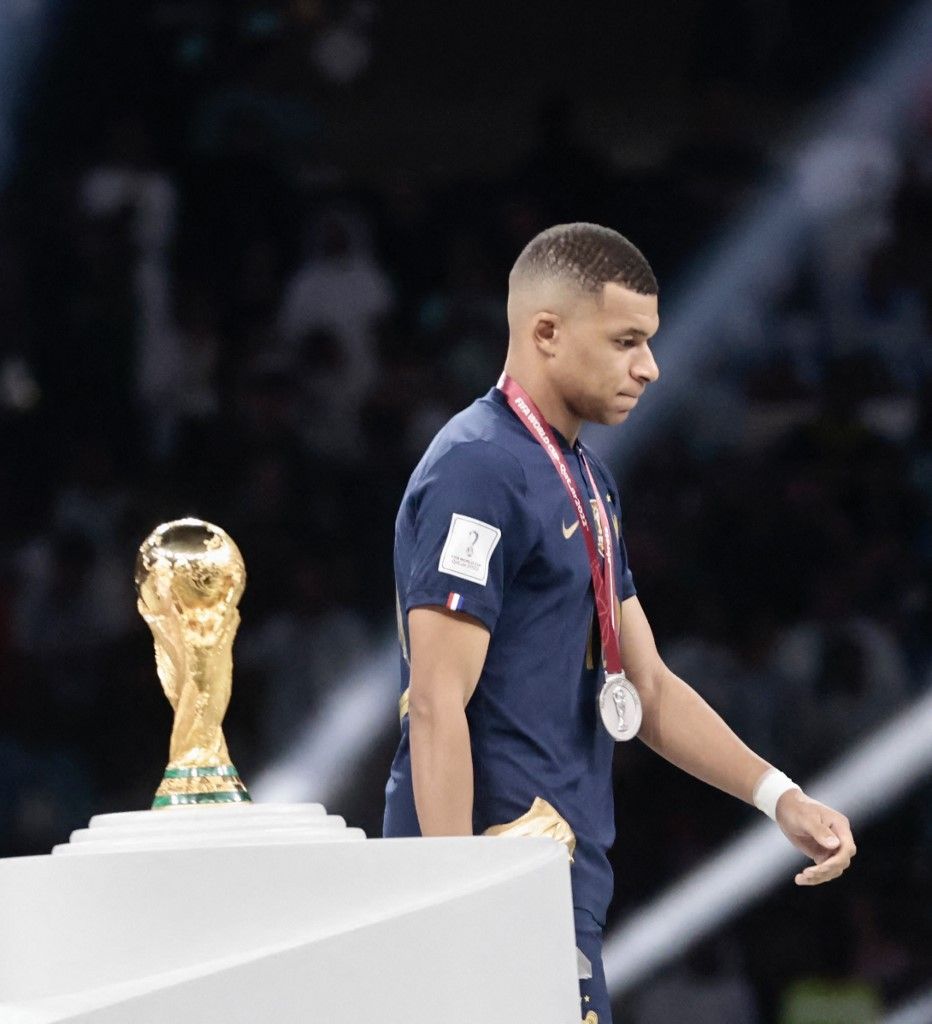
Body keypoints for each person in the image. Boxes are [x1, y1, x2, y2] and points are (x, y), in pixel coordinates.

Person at [382, 223, 856, 1023]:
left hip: (559, 880)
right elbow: (436, 703)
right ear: (546, 333)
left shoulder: (587, 481)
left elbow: (650, 688)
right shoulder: (478, 469)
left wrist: (781, 798)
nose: (650, 366)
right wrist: (456, 897)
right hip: (490, 879)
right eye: (627, 340)